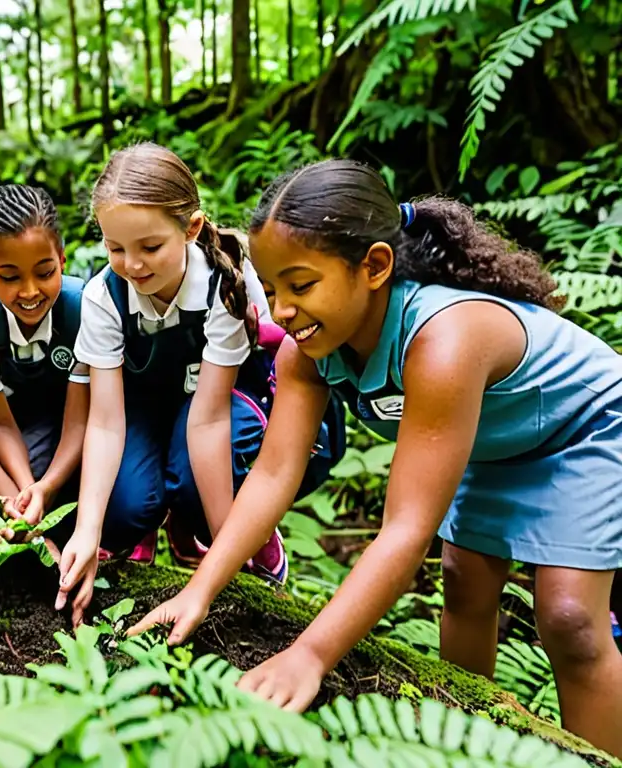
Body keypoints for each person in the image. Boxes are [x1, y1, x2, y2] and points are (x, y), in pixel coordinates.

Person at [130, 158, 622, 759]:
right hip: (495, 443)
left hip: (590, 427)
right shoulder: (305, 353)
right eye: (274, 287)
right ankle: (467, 743)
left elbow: (406, 530)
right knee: (465, 582)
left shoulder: (442, 342)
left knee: (569, 618)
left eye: (302, 285)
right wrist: (199, 590)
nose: (281, 311)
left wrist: (309, 655)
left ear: (375, 267)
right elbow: (274, 475)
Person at [55, 143, 340, 627]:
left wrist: (226, 545)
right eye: (116, 248)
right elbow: (104, 422)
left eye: (150, 247)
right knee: (120, 511)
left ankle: (224, 530)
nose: (133, 264)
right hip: (146, 405)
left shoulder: (222, 281)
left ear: (190, 229)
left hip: (221, 401)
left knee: (194, 483)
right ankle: (158, 521)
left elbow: (208, 421)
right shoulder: (104, 295)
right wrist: (87, 529)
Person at [0, 184, 89, 526]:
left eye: (44, 273)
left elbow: (80, 420)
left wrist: (49, 485)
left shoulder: (84, 311)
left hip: (72, 409)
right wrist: (29, 489)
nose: (29, 292)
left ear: (62, 259)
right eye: (10, 277)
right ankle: (27, 529)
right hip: (0, 412)